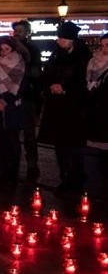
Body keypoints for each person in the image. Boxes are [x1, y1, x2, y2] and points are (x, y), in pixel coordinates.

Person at [39, 21, 92, 193]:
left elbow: (84, 82)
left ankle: (76, 177)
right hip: (56, 106)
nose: (58, 41)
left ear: (70, 39)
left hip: (73, 108)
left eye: (61, 38)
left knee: (74, 145)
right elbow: (46, 73)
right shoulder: (56, 55)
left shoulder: (83, 56)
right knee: (60, 145)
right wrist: (51, 85)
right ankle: (65, 175)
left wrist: (65, 88)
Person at [0, 36, 28, 188]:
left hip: (11, 109)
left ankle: (13, 173)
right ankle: (2, 171)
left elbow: (21, 87)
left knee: (13, 141)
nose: (3, 52)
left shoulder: (19, 63)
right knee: (0, 144)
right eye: (1, 49)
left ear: (13, 49)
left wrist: (5, 101)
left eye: (6, 49)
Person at [12, 20, 43, 181]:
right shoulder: (7, 48)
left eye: (21, 31)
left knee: (29, 133)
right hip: (11, 98)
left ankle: (32, 162)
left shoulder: (32, 50)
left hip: (27, 97)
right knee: (12, 132)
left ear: (27, 33)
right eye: (16, 30)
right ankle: (13, 162)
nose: (17, 33)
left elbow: (37, 73)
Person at [84, 33, 108, 194]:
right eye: (104, 45)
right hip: (98, 110)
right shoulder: (93, 61)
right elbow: (88, 82)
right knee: (101, 152)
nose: (106, 48)